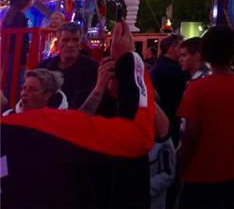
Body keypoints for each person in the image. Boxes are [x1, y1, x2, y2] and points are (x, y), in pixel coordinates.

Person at [1, 21, 155, 207]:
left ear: (50, 95)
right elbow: (137, 137)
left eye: (75, 40)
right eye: (25, 88)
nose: (25, 93)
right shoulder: (40, 119)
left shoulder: (92, 68)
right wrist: (131, 61)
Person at [177, 26, 234, 208]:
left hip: (199, 173)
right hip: (233, 171)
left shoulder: (195, 88)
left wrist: (183, 165)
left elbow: (190, 133)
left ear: (205, 53)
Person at [37, 21, 99, 109]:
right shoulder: (44, 68)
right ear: (57, 43)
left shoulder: (93, 69)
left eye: (75, 40)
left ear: (80, 44)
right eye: (65, 40)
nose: (70, 45)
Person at [150, 33, 187, 143]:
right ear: (172, 48)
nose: (182, 52)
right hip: (170, 124)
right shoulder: (173, 71)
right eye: (181, 47)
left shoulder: (158, 66)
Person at [2, 0, 33, 98]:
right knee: (16, 79)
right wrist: (24, 57)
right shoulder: (21, 17)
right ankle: (13, 101)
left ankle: (6, 100)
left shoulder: (11, 13)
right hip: (16, 52)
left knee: (8, 78)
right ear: (28, 2)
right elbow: (23, 39)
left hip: (8, 50)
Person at [2, 68, 66, 114]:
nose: (24, 93)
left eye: (32, 89)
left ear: (47, 95)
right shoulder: (8, 116)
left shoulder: (59, 123)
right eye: (24, 88)